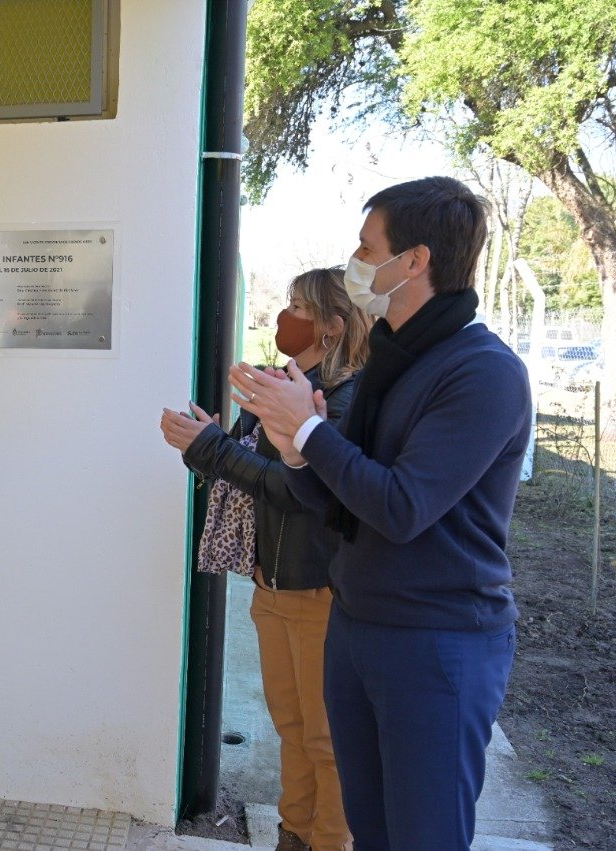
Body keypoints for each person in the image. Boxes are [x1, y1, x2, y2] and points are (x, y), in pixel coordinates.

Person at [231, 177, 530, 850]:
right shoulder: (391, 363)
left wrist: (309, 436)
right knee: (371, 829)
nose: (355, 261)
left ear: (415, 260)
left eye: (367, 247)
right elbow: (338, 502)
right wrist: (294, 448)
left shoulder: (482, 372)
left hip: (438, 640)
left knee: (422, 834)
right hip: (360, 622)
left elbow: (401, 507)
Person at [162, 268, 368, 851]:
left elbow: (304, 490)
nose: (286, 315)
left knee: (327, 739)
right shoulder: (281, 384)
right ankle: (293, 832)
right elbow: (241, 470)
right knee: (292, 729)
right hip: (271, 583)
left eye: (300, 304)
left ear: (331, 325)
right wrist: (203, 442)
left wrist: (215, 451)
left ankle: (330, 840)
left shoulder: (347, 397)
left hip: (320, 587)